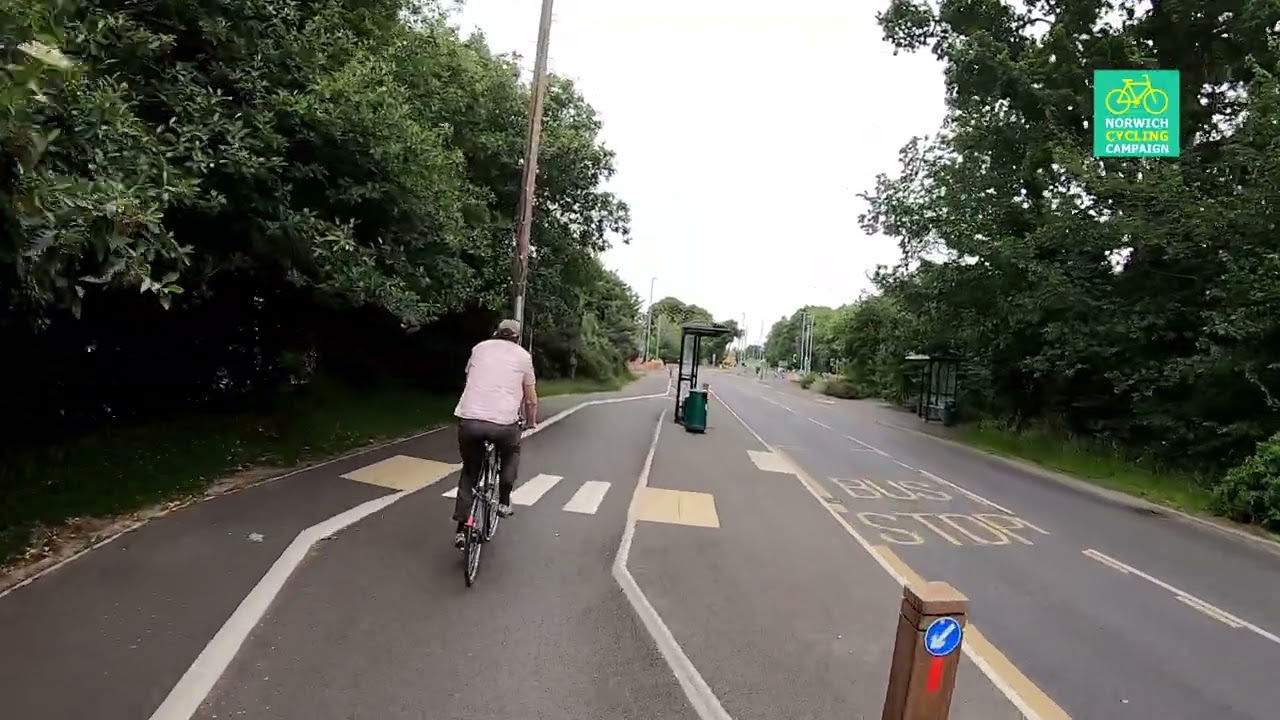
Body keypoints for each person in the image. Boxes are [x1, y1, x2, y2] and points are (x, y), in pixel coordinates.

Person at [451, 319, 537, 548]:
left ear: (496, 333)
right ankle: (505, 501)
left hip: (470, 421)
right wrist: (530, 422)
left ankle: (461, 529)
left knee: (470, 471)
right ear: (517, 338)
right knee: (511, 453)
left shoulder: (479, 348)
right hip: (504, 424)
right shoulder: (523, 357)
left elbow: (471, 377)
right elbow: (531, 399)